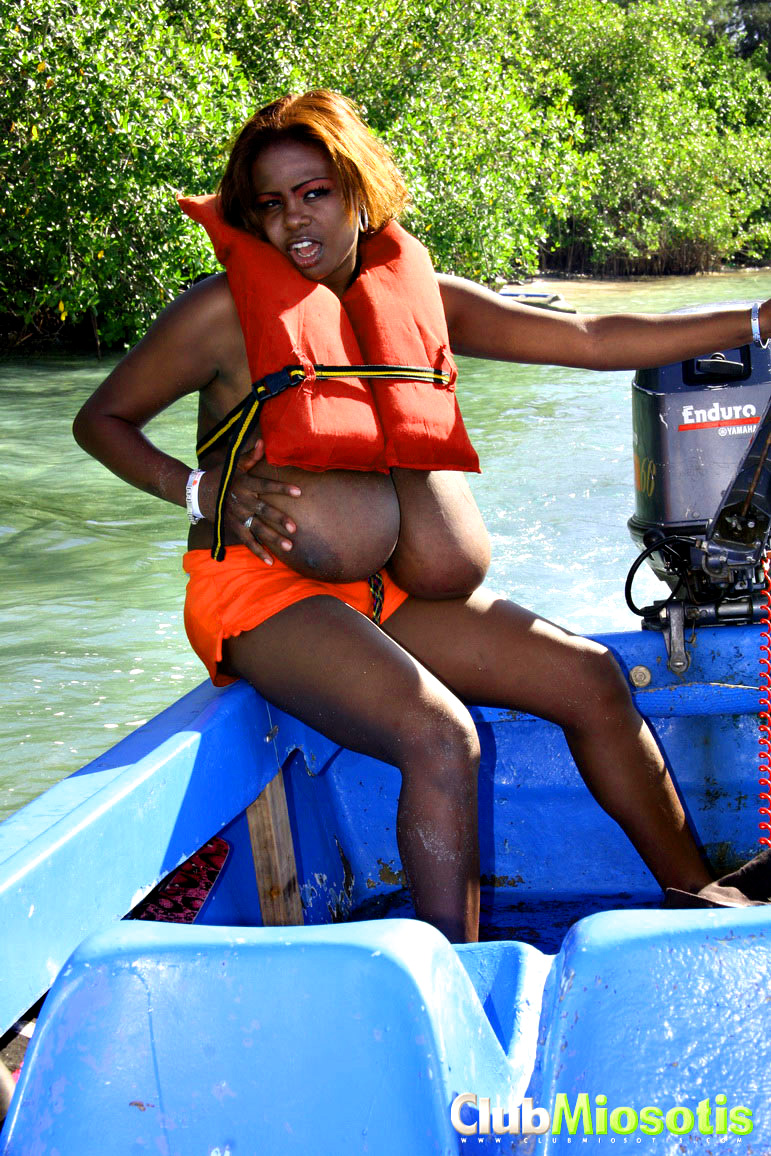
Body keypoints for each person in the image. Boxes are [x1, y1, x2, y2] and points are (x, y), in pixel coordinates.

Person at [73, 89, 771, 943]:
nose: (294, 219)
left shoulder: (418, 297)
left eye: (315, 192)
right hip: (260, 594)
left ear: (357, 191)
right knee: (440, 738)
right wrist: (195, 489)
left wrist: (753, 318)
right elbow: (101, 421)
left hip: (380, 593)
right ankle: (450, 974)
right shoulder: (220, 313)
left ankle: (698, 898)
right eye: (271, 202)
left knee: (588, 677)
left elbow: (589, 339)